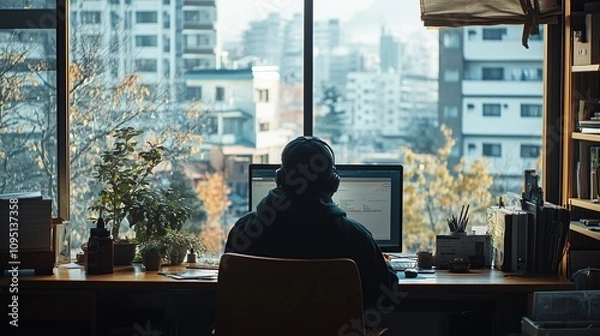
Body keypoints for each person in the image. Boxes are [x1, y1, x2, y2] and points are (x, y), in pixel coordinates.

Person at [225, 135, 399, 314]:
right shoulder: (355, 238)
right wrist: (383, 263)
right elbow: (386, 294)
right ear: (332, 182)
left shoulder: (244, 230)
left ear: (280, 178)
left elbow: (230, 288)